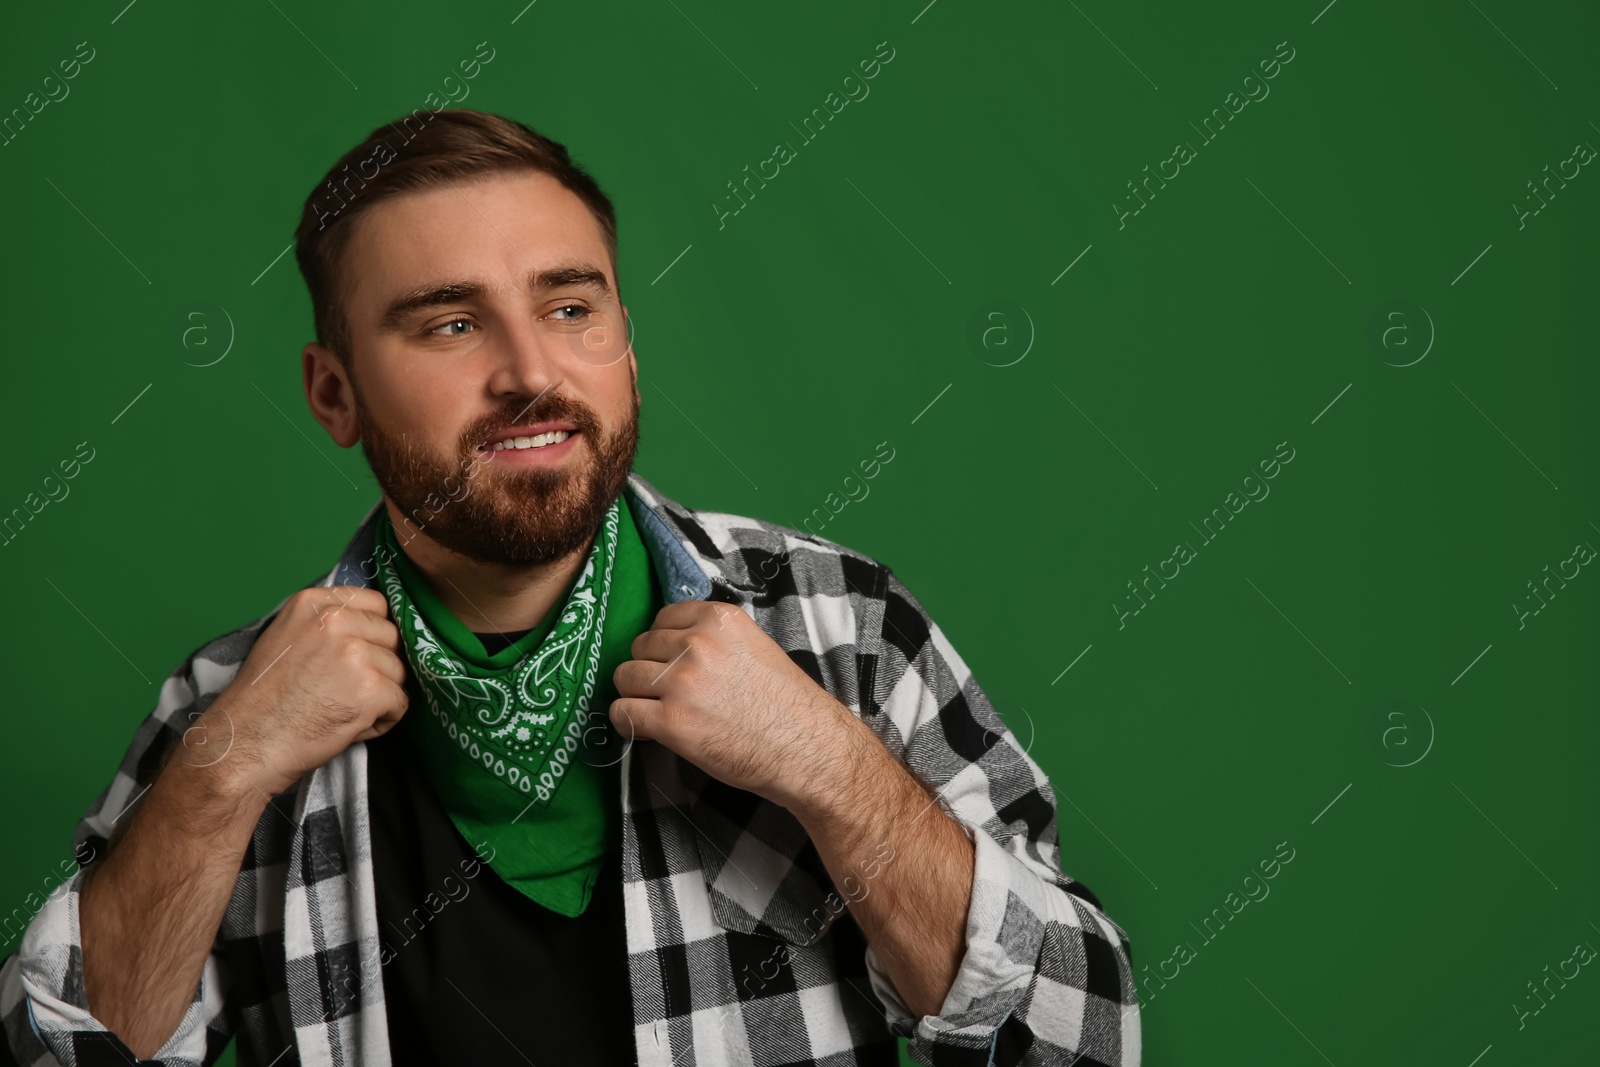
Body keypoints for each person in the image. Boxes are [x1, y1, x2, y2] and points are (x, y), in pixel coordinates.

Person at [0, 108, 1140, 1067]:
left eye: (569, 307)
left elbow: (1083, 1038)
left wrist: (831, 768)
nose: (532, 371)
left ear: (626, 346)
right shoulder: (226, 701)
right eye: (450, 322)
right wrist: (223, 768)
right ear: (333, 393)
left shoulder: (840, 626)